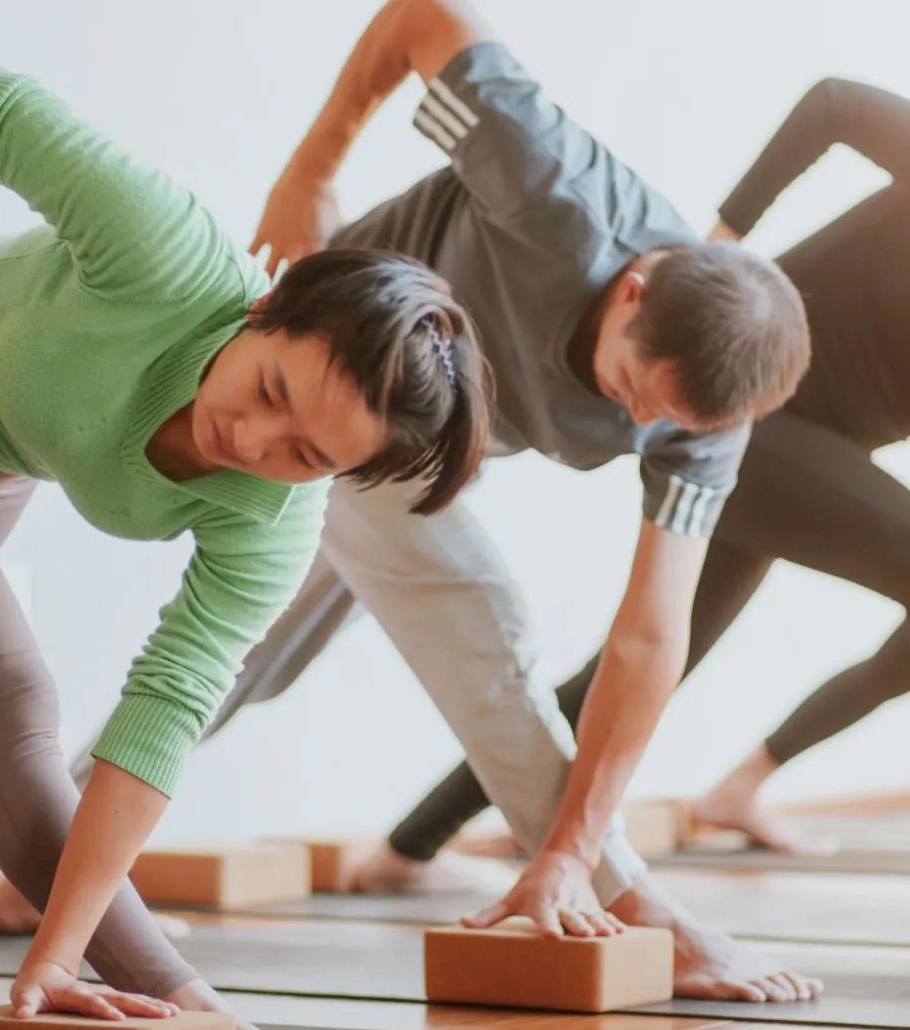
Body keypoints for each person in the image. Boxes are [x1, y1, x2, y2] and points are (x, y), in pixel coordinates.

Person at [42, 0, 822, 1006]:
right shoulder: (553, 187)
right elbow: (423, 16)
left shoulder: (705, 417)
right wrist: (309, 173)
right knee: (477, 613)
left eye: (663, 423)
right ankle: (646, 911)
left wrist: (571, 846)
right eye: (632, 390)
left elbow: (647, 635)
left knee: (253, 655)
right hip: (339, 397)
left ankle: (54, 840)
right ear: (635, 289)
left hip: (420, 449)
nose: (639, 425)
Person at [0, 50, 492, 1030]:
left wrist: (58, 948)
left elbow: (161, 720)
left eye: (308, 453)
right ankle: (206, 1015)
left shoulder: (272, 519)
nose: (256, 441)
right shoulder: (164, 252)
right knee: (8, 691)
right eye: (271, 389)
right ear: (270, 311)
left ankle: (181, 1006)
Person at [376, 75, 910, 868]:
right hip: (725, 421)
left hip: (805, 463)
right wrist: (721, 240)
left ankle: (407, 848)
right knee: (646, 653)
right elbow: (833, 105)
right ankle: (419, 846)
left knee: (639, 669)